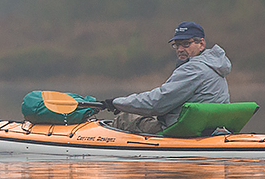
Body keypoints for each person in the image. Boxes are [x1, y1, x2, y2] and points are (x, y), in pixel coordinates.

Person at [97, 21, 232, 135]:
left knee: (125, 119)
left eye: (186, 44)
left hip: (182, 132)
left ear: (201, 44)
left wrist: (117, 103)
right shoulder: (216, 65)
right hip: (211, 130)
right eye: (177, 45)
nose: (180, 49)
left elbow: (156, 103)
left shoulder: (193, 69)